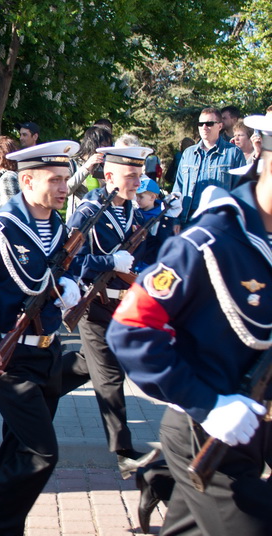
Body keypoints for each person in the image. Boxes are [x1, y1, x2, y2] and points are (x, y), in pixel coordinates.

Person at [106, 112, 272, 536]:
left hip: (254, 431)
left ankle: (157, 480)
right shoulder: (210, 240)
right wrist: (207, 404)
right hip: (207, 429)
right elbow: (131, 329)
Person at [0, 140, 82, 536]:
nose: (63, 187)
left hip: (48, 354)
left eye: (64, 179)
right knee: (43, 452)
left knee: (18, 449)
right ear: (26, 180)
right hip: (7, 358)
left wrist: (69, 283)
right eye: (54, 180)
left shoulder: (57, 227)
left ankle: (7, 531)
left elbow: (51, 275)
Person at [61, 146, 181, 479]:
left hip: (122, 305)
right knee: (110, 377)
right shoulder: (87, 213)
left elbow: (151, 256)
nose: (138, 181)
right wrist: (107, 261)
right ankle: (124, 453)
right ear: (110, 176)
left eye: (140, 175)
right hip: (94, 306)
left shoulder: (132, 211)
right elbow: (67, 260)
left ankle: (40, 387)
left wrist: (168, 219)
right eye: (131, 176)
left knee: (91, 364)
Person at [173, 106, 245, 227]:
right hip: (188, 221)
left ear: (220, 126)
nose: (204, 127)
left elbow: (241, 192)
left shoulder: (234, 153)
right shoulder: (188, 153)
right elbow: (178, 190)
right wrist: (175, 220)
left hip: (219, 223)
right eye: (200, 124)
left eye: (209, 123)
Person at [66, 126, 112, 221]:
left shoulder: (103, 165)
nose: (106, 150)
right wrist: (86, 168)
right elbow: (66, 190)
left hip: (100, 220)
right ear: (92, 144)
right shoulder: (73, 163)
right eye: (104, 145)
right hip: (78, 219)